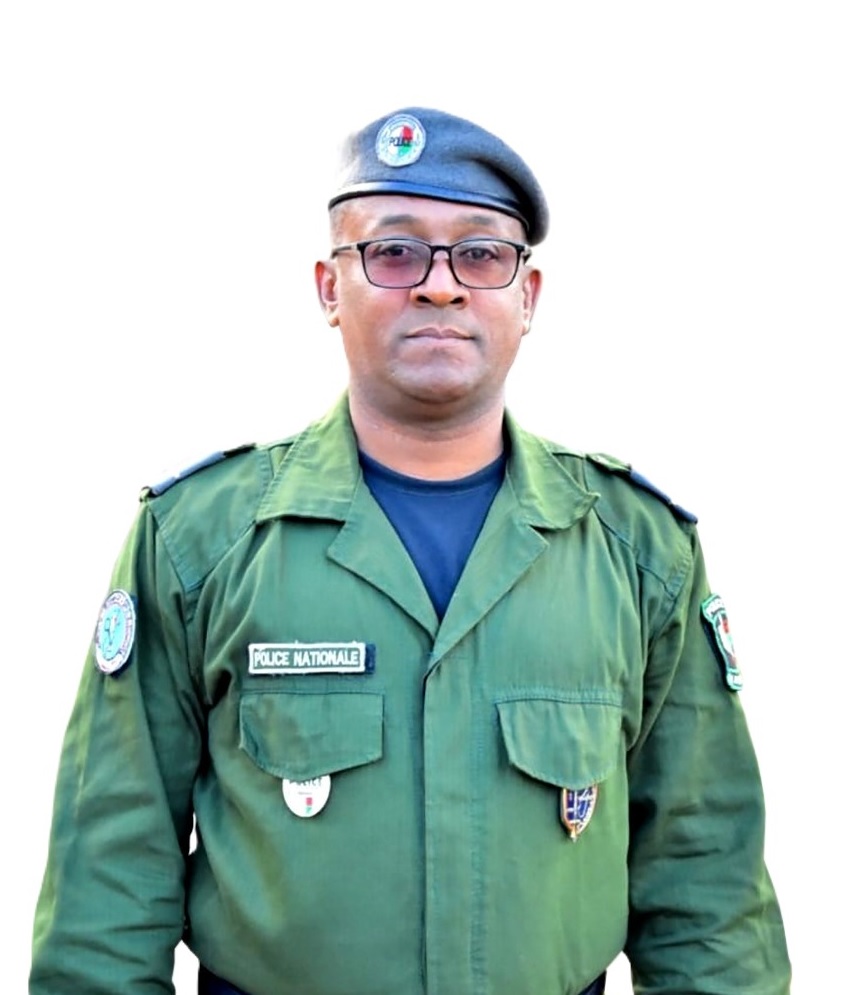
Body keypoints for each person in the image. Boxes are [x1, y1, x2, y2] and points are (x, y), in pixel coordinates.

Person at [30, 107, 791, 995]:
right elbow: (109, 871)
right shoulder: (200, 540)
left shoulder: (638, 551)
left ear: (527, 296)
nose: (439, 287)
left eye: (480, 254)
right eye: (394, 253)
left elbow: (705, 877)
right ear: (328, 287)